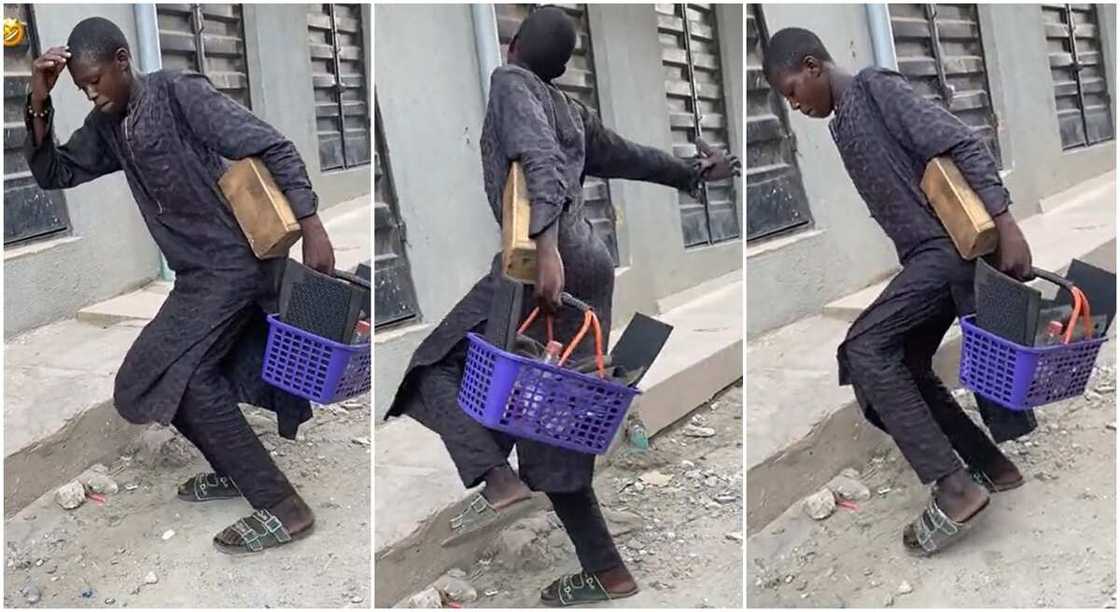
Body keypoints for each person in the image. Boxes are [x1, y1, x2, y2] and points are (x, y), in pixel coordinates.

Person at [385, 6, 740, 606]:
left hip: (539, 261)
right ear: (564, 65)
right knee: (551, 414)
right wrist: (692, 172)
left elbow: (538, 163)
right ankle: (606, 569)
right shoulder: (569, 110)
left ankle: (497, 479)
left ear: (514, 45)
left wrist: (546, 249)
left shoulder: (510, 83)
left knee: (433, 364)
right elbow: (627, 155)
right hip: (588, 261)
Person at [24, 17, 335, 554]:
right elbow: (55, 173)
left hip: (235, 265)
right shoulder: (109, 126)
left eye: (95, 79)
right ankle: (235, 470)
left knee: (179, 379)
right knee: (155, 380)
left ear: (122, 60)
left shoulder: (177, 93)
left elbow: (272, 145)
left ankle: (285, 508)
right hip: (198, 276)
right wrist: (36, 101)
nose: (91, 93)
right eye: (81, 87)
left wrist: (312, 224)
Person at [762, 27, 1036, 556]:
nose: (794, 105)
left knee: (864, 348)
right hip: (927, 260)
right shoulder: (843, 121)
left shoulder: (875, 87)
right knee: (903, 362)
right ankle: (990, 465)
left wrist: (1007, 224)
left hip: (944, 253)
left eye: (793, 90)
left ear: (813, 66)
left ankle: (955, 491)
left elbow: (959, 140)